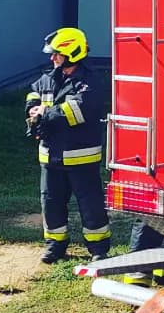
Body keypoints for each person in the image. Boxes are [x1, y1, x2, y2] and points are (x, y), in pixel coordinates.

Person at [26, 27, 112, 263]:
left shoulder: (89, 82)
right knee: (51, 203)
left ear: (72, 54)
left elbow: (76, 111)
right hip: (50, 156)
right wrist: (32, 109)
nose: (52, 58)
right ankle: (55, 245)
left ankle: (98, 249)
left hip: (80, 156)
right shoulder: (50, 77)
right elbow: (34, 93)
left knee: (91, 205)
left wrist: (45, 113)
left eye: (57, 54)